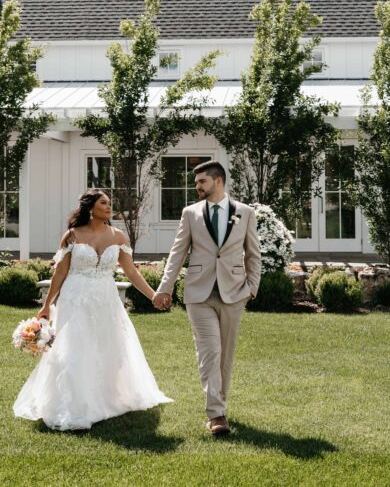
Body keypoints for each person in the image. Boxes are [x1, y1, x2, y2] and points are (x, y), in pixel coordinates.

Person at [13, 188, 172, 431]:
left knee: (109, 345)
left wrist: (153, 296)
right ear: (90, 207)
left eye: (110, 203)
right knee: (76, 347)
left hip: (106, 299)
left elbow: (131, 272)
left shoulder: (118, 236)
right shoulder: (73, 235)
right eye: (103, 203)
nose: (109, 207)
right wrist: (47, 305)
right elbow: (61, 272)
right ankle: (75, 402)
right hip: (75, 298)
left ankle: (107, 398)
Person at [153, 160, 261, 437]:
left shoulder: (245, 212)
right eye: (197, 182)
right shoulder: (191, 213)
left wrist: (251, 288)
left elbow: (253, 253)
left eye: (202, 181)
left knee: (226, 354)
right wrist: (165, 287)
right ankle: (216, 414)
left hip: (234, 293)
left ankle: (219, 405)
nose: (197, 186)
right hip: (198, 293)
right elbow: (178, 253)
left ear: (218, 181)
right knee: (209, 352)